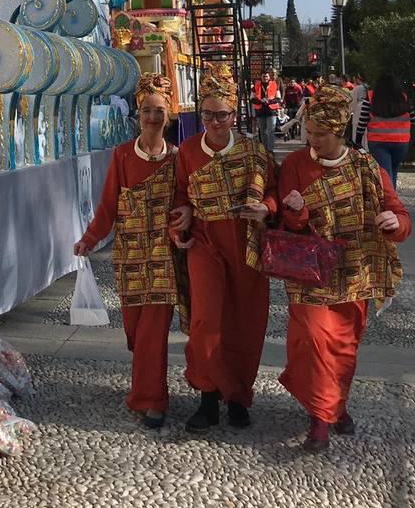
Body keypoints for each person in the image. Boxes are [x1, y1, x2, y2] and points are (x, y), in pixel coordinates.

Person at [276, 84, 412, 452]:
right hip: (310, 274)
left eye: (322, 135)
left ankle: (336, 404)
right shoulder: (293, 165)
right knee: (317, 342)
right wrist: (295, 210)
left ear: (340, 132)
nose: (313, 141)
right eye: (310, 133)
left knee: (344, 348)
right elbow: (288, 226)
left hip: (355, 273)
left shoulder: (367, 166)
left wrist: (393, 221)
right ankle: (321, 420)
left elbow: (400, 213)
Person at [75, 74, 190, 429]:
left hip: (162, 260)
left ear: (168, 116)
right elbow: (109, 206)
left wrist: (182, 220)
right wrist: (89, 239)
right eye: (146, 111)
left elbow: (186, 202)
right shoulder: (123, 155)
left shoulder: (178, 158)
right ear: (137, 115)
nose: (153, 118)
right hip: (129, 259)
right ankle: (144, 386)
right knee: (134, 332)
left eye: (159, 111)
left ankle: (152, 400)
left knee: (153, 334)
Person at [174, 64, 278, 433]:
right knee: (205, 320)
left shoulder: (254, 151)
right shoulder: (187, 152)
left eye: (222, 114)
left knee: (245, 322)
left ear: (234, 114)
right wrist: (184, 211)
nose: (215, 122)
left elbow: (273, 190)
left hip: (247, 242)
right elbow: (180, 194)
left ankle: (237, 396)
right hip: (206, 242)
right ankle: (206, 397)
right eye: (208, 115)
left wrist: (268, 208)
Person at [356, 72, 415, 187]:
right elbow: (413, 119)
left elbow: (362, 122)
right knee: (393, 171)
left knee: (385, 174)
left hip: (378, 142)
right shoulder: (404, 98)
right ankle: (392, 198)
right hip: (401, 141)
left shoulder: (370, 97)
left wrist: (357, 141)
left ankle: (390, 201)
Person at [250, 70, 281, 154]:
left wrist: (269, 101)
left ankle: (270, 150)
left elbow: (278, 98)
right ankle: (264, 149)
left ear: (269, 77)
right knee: (262, 131)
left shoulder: (274, 85)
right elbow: (252, 99)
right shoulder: (255, 86)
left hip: (271, 111)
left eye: (266, 76)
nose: (265, 78)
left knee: (271, 130)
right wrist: (261, 101)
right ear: (261, 77)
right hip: (260, 111)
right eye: (263, 76)